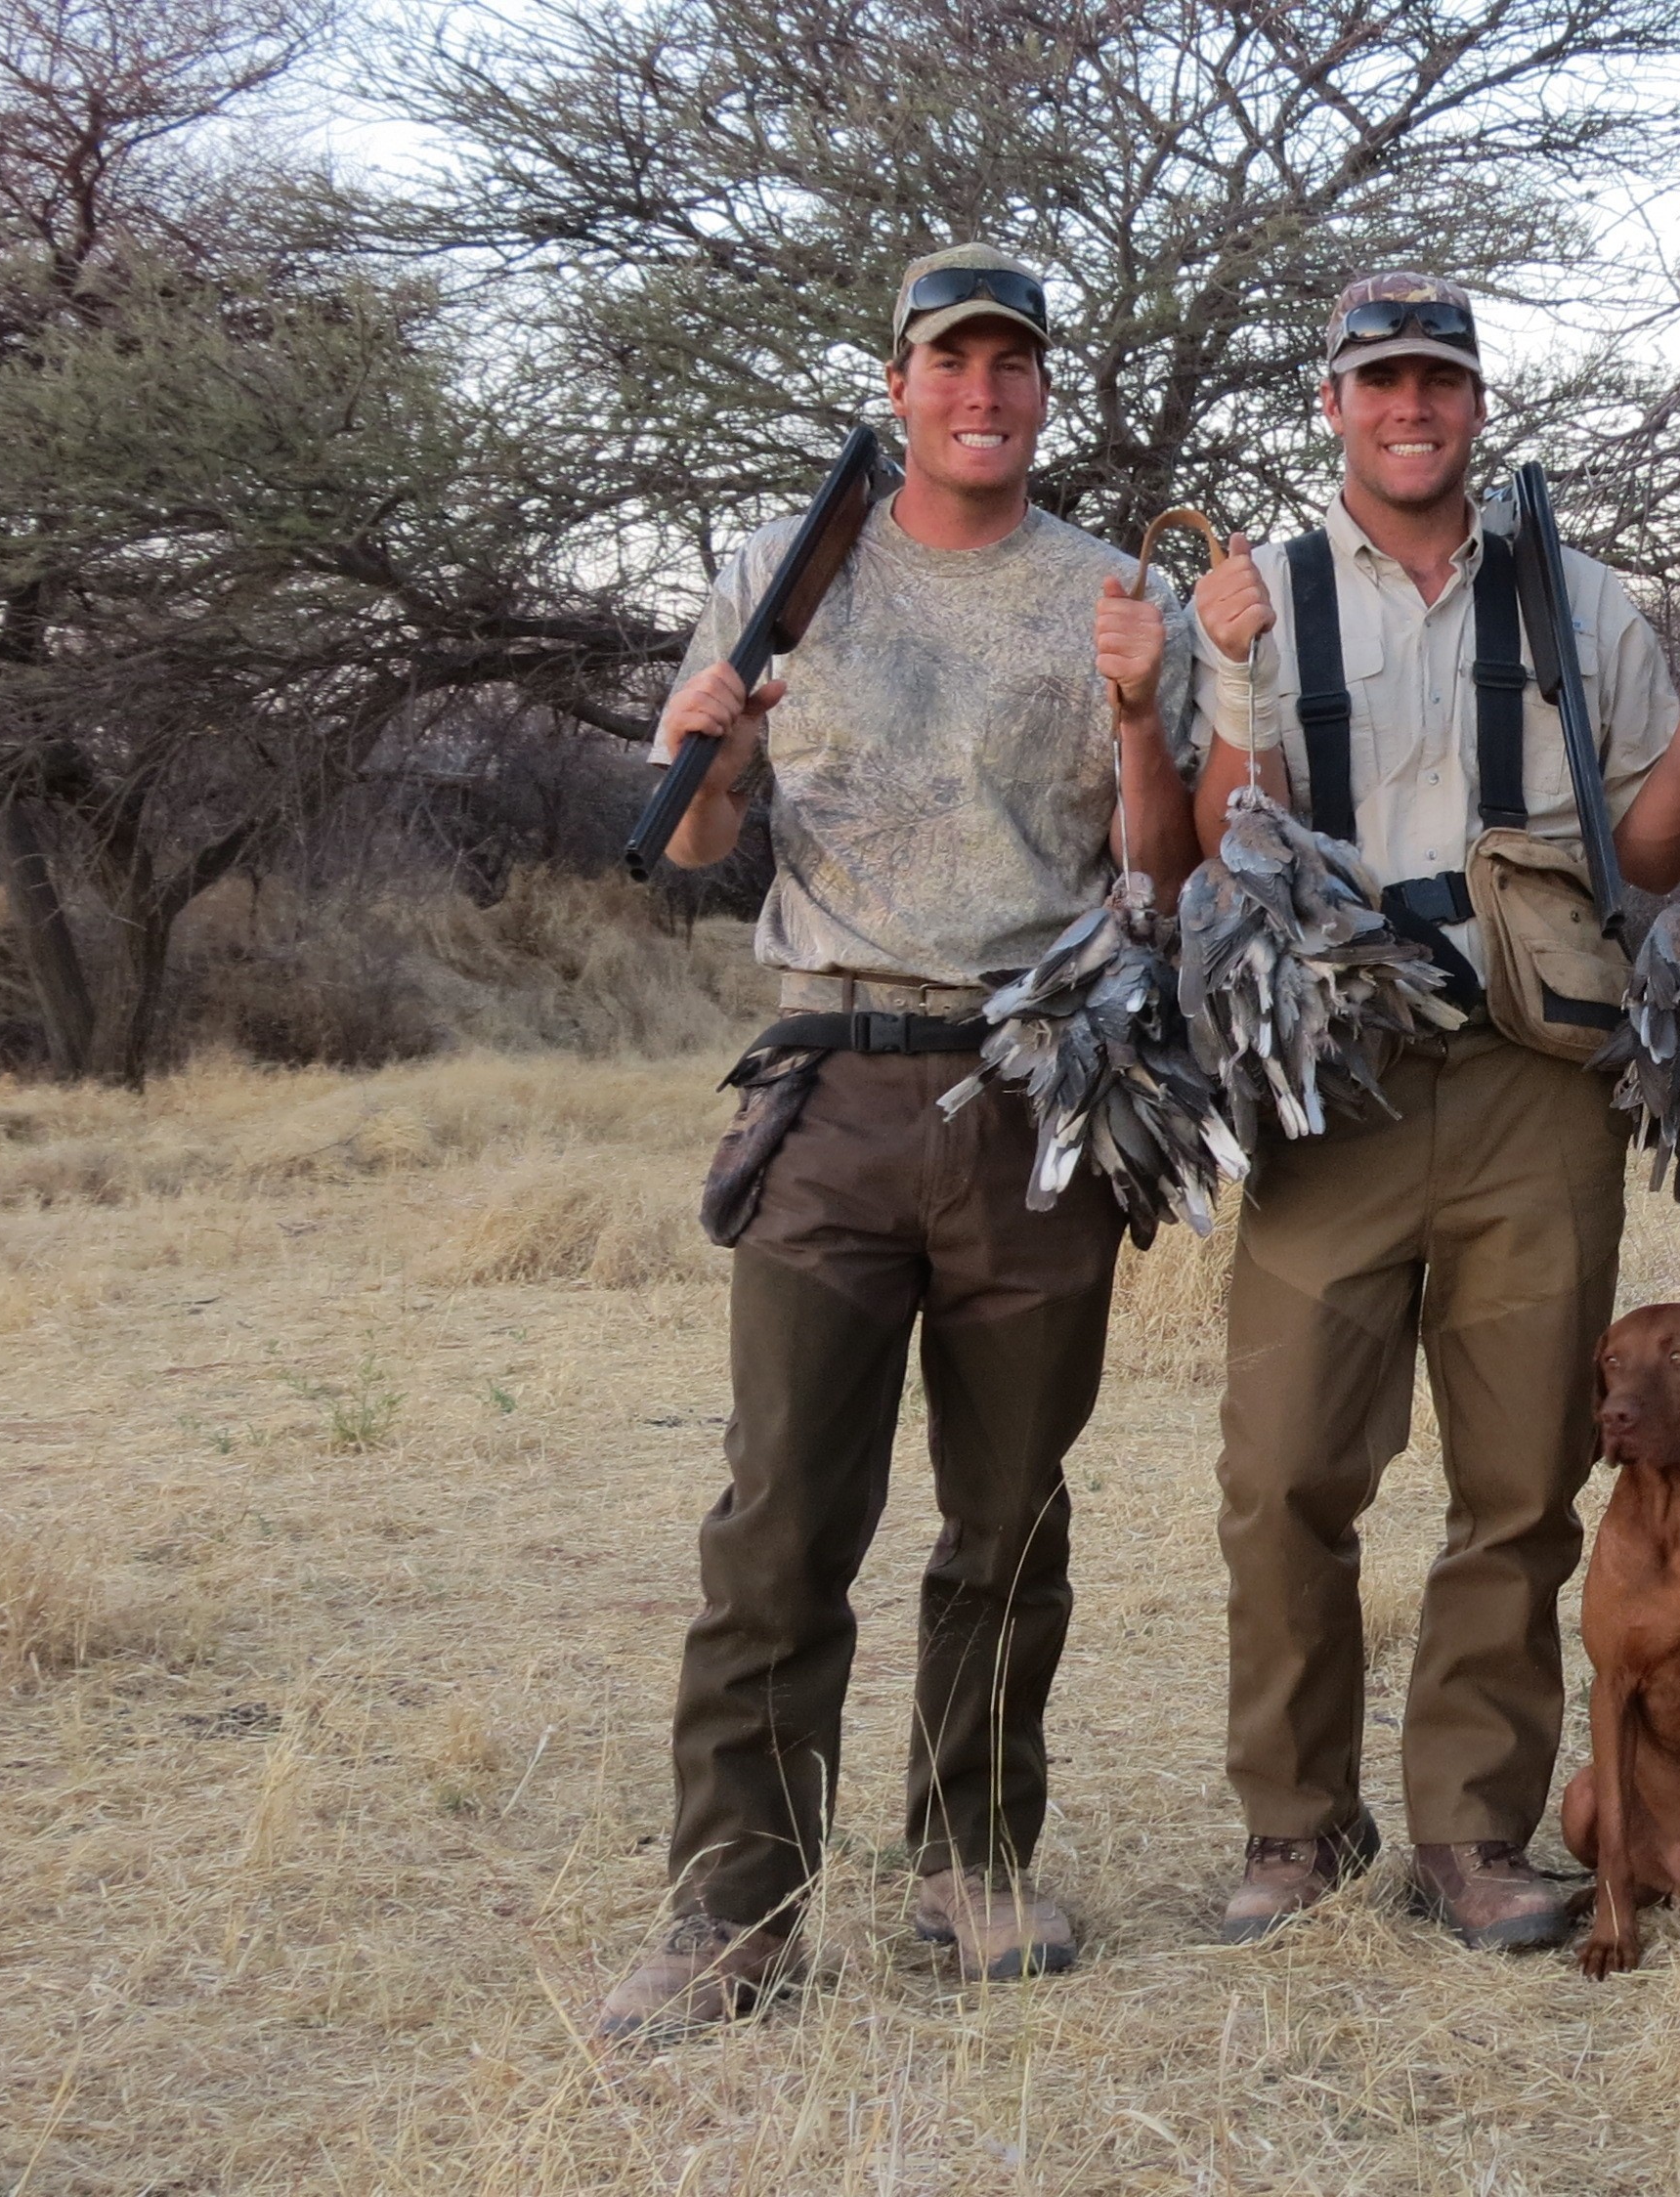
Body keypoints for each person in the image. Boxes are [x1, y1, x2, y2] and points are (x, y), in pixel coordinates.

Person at [592, 243, 1199, 2043]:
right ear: (900, 384)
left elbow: (1156, 874)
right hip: (830, 1086)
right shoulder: (787, 584)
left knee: (1006, 1520)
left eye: (1013, 363)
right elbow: (702, 841)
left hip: (1034, 1083)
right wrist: (705, 745)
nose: (983, 393)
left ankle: (975, 1855)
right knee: (781, 1520)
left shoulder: (1107, 594)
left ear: (1041, 391)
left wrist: (1152, 708)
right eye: (953, 363)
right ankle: (734, 1908)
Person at [1182, 273, 1680, 1953]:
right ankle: (1295, 1829)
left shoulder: (1587, 603)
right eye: (1379, 383)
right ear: (1333, 403)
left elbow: (1661, 849)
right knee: (1286, 1472)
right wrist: (1225, 683)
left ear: (1477, 400)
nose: (1410, 409)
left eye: (1437, 378)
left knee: (1518, 1483)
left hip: (1534, 1082)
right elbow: (1221, 848)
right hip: (1341, 1087)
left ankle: (1477, 1834)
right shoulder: (1263, 600)